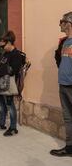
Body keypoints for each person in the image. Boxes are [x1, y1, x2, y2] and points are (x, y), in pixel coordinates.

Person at [0, 31, 23, 136]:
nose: (2, 48)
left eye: (3, 46)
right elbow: (2, 66)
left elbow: (12, 70)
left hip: (9, 85)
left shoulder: (16, 55)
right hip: (0, 83)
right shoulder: (5, 54)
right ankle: (1, 123)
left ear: (9, 42)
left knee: (10, 105)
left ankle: (13, 128)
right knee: (1, 105)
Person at [50, 12, 72, 157]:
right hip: (63, 84)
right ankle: (69, 148)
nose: (60, 24)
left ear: (69, 23)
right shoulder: (64, 42)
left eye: (62, 21)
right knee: (68, 117)